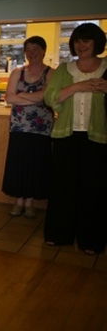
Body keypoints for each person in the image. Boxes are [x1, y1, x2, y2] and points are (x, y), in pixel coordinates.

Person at [43, 22, 107, 255]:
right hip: (66, 136)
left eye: (86, 41)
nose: (81, 45)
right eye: (78, 41)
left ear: (96, 43)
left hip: (98, 138)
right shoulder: (65, 69)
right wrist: (80, 86)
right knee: (62, 187)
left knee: (95, 189)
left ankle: (91, 240)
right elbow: (51, 98)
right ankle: (58, 234)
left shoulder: (106, 67)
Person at [1, 36, 54, 218]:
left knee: (36, 164)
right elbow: (9, 97)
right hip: (19, 126)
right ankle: (18, 202)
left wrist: (21, 95)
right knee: (19, 163)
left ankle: (30, 203)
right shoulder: (18, 71)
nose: (32, 53)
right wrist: (35, 96)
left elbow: (46, 97)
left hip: (41, 128)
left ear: (43, 51)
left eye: (36, 49)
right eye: (28, 49)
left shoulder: (51, 73)